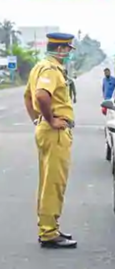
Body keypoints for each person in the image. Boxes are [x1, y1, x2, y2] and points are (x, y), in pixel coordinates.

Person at [23, 32, 77, 249]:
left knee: (48, 181)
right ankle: (49, 233)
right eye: (68, 50)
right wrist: (50, 120)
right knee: (54, 183)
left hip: (46, 129)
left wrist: (37, 120)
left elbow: (27, 96)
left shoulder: (39, 66)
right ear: (62, 49)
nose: (69, 54)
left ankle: (48, 226)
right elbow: (41, 95)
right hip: (54, 132)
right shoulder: (51, 69)